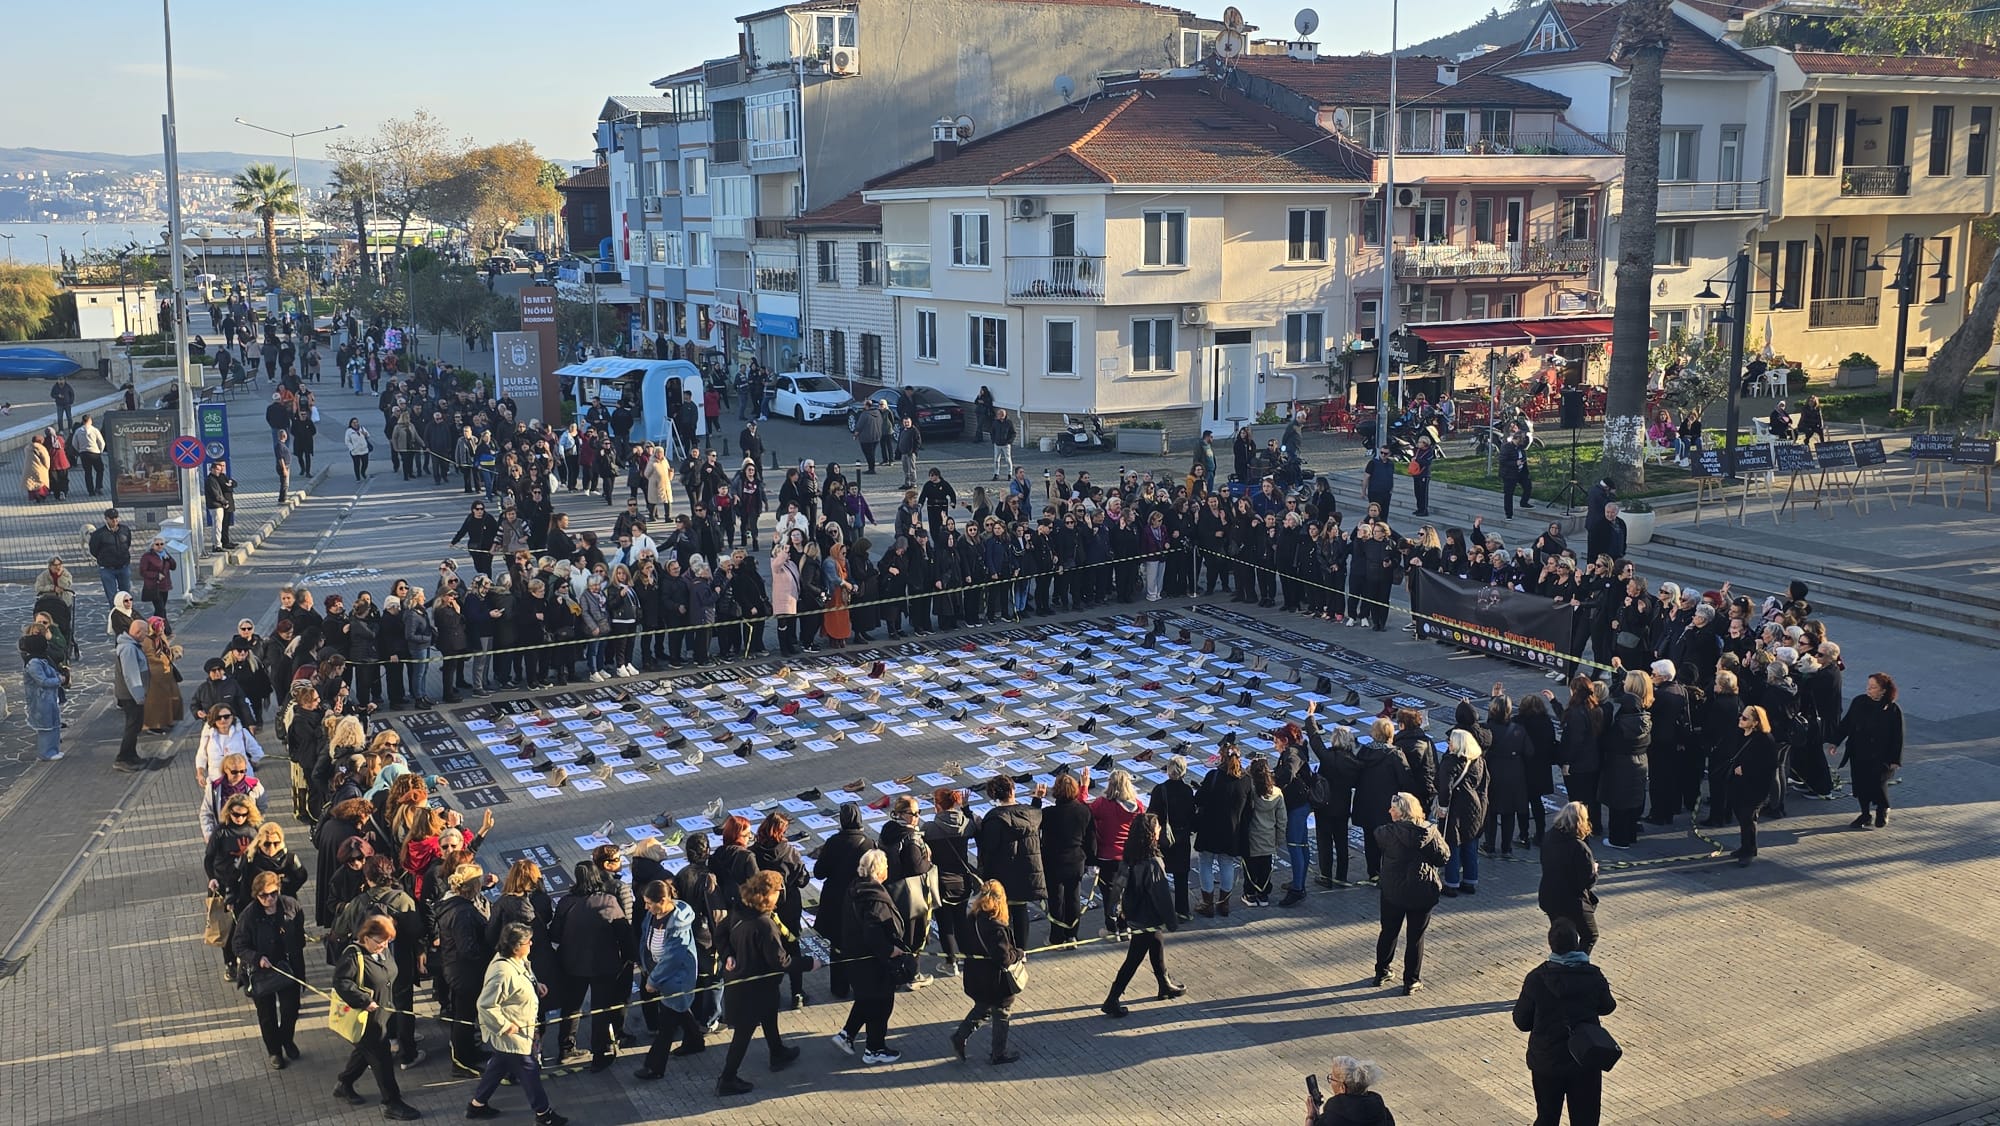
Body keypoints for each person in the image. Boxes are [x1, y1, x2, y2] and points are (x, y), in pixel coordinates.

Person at [715, 870, 814, 1095]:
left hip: (743, 982)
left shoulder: (739, 909)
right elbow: (781, 961)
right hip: (753, 987)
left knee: (770, 1013)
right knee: (743, 1033)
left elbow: (720, 934)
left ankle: (777, 1051)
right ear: (770, 894)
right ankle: (727, 1079)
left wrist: (727, 954)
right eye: (780, 892)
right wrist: (810, 964)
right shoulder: (764, 924)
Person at [1513, 918, 1617, 1126]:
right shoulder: (1593, 975)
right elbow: (1608, 1007)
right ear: (1577, 943)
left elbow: (1522, 1021)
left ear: (1551, 945)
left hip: (1547, 1061)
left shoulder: (1536, 978)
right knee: (1586, 1119)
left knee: (1547, 1117)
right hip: (1585, 1058)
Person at [331, 915, 422, 1120]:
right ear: (366, 936)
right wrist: (363, 1000)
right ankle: (392, 1102)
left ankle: (344, 1083)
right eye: (380, 942)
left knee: (365, 1053)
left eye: (387, 941)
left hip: (384, 1013)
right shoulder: (353, 956)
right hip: (366, 1019)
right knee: (382, 1059)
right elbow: (341, 982)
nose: (384, 946)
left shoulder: (381, 949)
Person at [552, 860, 636, 1071]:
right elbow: (624, 933)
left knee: (571, 1006)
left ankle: (566, 1047)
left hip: (572, 963)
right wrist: (629, 958)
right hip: (604, 964)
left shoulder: (565, 902)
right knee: (601, 1008)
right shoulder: (608, 902)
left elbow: (554, 933)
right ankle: (600, 1053)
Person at [1100, 812, 1186, 1016]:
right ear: (1151, 834)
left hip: (1134, 912)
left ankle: (1164, 985)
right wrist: (1171, 920)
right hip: (1148, 916)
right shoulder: (1153, 862)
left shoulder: (1129, 856)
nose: (1160, 830)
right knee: (1134, 958)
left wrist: (1114, 913)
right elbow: (1161, 894)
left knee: (1156, 944)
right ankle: (1112, 999)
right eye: (1157, 828)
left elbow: (1118, 886)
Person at [833, 848, 911, 1065]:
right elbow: (873, 931)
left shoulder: (856, 888)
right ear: (879, 871)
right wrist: (890, 950)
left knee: (866, 998)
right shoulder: (875, 898)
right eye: (885, 866)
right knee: (881, 1004)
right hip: (874, 962)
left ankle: (847, 1034)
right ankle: (874, 1049)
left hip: (857, 958)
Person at [1373, 792, 1449, 995]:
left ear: (1401, 813)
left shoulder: (1387, 833)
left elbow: (1377, 836)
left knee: (1388, 932)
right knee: (1416, 937)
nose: (1389, 811)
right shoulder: (1429, 832)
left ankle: (1382, 971)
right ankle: (1411, 980)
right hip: (1421, 891)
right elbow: (1444, 856)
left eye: (1393, 808)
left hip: (1392, 891)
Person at [232, 869, 307, 1070]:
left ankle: (286, 1040)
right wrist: (257, 958)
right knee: (267, 1015)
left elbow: (299, 934)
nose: (270, 899)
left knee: (291, 1010)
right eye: (264, 895)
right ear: (256, 895)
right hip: (261, 972)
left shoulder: (291, 906)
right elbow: (238, 945)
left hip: (287, 967)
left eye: (273, 893)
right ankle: (274, 1051)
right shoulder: (248, 916)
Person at [948, 878, 1024, 1064]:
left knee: (983, 1007)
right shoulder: (996, 927)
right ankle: (999, 1053)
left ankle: (960, 1036)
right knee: (1002, 1011)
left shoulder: (972, 918)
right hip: (995, 980)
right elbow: (1004, 958)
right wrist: (1019, 954)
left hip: (976, 976)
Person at [632, 881, 701, 1080]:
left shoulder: (678, 925)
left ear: (662, 901)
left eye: (648, 903)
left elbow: (672, 957)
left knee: (667, 1025)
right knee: (680, 1009)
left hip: (675, 978)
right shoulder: (653, 914)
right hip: (658, 971)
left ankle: (654, 1066)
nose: (646, 907)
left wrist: (653, 980)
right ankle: (695, 1042)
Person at [976, 776, 1046, 949]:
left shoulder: (993, 818)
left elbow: (989, 848)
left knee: (1002, 914)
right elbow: (1034, 817)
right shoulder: (1031, 813)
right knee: (1021, 911)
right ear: (1013, 790)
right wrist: (1037, 799)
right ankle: (1022, 951)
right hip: (1026, 872)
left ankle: (1006, 951)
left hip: (1003, 874)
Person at [1829, 672, 1904, 830]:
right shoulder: (1859, 702)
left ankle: (1883, 808)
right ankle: (1865, 814)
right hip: (1858, 752)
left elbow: (1898, 736)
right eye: (1868, 686)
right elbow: (1847, 723)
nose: (1868, 690)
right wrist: (1835, 742)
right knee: (1861, 784)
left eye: (1873, 687)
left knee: (1878, 783)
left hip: (1880, 755)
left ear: (1883, 690)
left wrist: (1895, 759)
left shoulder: (1892, 709)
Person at [1192, 745, 1253, 918]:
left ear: (1221, 758)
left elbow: (1199, 799)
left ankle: (1207, 903)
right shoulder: (1246, 780)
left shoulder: (1213, 776)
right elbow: (1250, 809)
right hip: (1232, 830)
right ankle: (1224, 904)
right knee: (1227, 864)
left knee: (1205, 863)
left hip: (1210, 829)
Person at [1538, 802, 1599, 952]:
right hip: (1573, 902)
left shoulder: (1549, 837)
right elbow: (1587, 881)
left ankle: (1560, 964)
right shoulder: (1579, 847)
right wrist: (1594, 869)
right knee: (1590, 935)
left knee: (1560, 936)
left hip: (1550, 896)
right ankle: (1577, 965)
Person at [1437, 728, 1489, 896]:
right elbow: (1484, 785)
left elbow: (1445, 787)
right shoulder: (1479, 761)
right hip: (1475, 808)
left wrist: (1442, 807)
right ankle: (1470, 881)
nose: (1448, 744)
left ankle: (1451, 883)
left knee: (1452, 844)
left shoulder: (1450, 762)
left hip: (1455, 808)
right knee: (1470, 844)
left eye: (1450, 741)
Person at [1729, 706, 1780, 866]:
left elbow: (1770, 765)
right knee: (1741, 814)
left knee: (1747, 816)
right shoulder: (1740, 734)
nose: (1740, 720)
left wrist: (1746, 769)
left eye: (1745, 718)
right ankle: (1746, 846)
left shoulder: (1765, 739)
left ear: (1755, 722)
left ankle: (1749, 850)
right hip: (1739, 784)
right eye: (1741, 716)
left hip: (1757, 787)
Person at [1305, 1056, 1397, 1126]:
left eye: (1332, 1079)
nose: (1331, 1083)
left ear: (1342, 1088)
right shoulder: (1380, 1109)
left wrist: (1311, 1117)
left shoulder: (1333, 1117)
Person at [111, 618, 150, 771]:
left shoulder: (131, 646)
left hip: (132, 695)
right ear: (138, 632)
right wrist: (139, 696)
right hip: (131, 696)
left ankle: (131, 754)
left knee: (135, 725)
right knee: (132, 726)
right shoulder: (128, 649)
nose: (146, 635)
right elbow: (131, 674)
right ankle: (123, 758)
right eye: (145, 632)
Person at [21, 634, 64, 761]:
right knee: (46, 727)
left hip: (49, 698)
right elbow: (43, 681)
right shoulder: (33, 663)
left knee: (54, 723)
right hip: (40, 700)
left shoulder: (42, 659)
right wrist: (58, 680)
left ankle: (54, 750)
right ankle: (46, 753)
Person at [88, 508, 134, 607]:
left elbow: (127, 544)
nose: (114, 521)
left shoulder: (125, 530)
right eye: (111, 518)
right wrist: (104, 559)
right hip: (107, 569)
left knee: (126, 595)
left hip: (123, 567)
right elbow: (93, 550)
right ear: (106, 519)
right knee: (112, 597)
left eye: (116, 518)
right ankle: (115, 618)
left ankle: (127, 616)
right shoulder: (98, 534)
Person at [990, 407, 1015, 481]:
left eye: (999, 414)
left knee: (1008, 460)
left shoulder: (1009, 422)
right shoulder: (995, 422)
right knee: (996, 460)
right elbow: (992, 432)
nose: (997, 415)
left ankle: (1009, 474)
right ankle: (996, 474)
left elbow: (1013, 433)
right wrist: (993, 440)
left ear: (1003, 415)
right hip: (997, 444)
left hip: (1006, 445)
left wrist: (1009, 441)